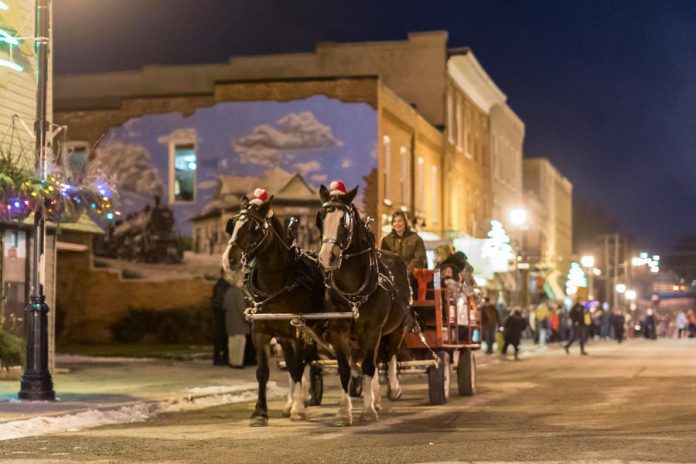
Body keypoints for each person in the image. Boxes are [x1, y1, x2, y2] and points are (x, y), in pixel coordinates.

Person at [380, 211, 426, 296]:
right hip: (392, 272)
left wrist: (406, 269)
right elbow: (383, 258)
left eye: (400, 221)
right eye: (394, 221)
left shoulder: (416, 239)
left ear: (405, 222)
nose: (397, 223)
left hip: (410, 272)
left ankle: (406, 298)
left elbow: (420, 258)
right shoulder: (386, 240)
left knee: (405, 279)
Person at [225, 273, 249, 368]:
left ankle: (232, 362)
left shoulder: (228, 291)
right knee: (239, 344)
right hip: (239, 323)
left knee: (232, 344)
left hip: (230, 321)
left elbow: (224, 306)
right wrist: (246, 317)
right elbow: (242, 308)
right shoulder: (238, 293)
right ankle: (238, 363)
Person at [211, 269, 231, 366]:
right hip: (221, 314)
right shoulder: (222, 286)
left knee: (222, 337)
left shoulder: (220, 285)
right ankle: (219, 358)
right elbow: (219, 301)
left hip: (221, 313)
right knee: (221, 337)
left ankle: (221, 358)